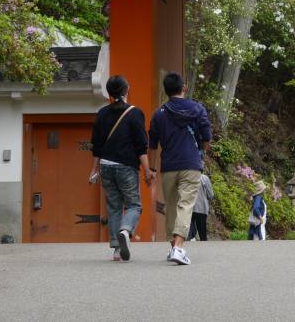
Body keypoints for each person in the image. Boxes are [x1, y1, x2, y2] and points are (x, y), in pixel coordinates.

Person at [149, 72, 213, 266]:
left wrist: (151, 168)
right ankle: (178, 248)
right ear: (183, 88)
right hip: (191, 164)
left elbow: (152, 143)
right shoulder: (197, 109)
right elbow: (207, 136)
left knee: (171, 207)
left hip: (168, 165)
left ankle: (174, 247)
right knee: (185, 204)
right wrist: (202, 150)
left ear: (165, 91)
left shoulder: (159, 114)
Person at [88, 75, 154, 262]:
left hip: (106, 167)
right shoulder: (135, 113)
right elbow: (141, 146)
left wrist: (94, 169)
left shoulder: (101, 113)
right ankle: (126, 230)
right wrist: (147, 170)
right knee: (134, 204)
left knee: (114, 206)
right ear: (126, 91)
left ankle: (117, 249)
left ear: (109, 92)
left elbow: (96, 146)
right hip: (126, 166)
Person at [187, 170, 214, 241]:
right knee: (202, 233)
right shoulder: (204, 178)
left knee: (188, 229)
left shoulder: (186, 177)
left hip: (188, 207)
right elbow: (211, 195)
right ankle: (203, 247)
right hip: (201, 208)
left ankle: (186, 244)